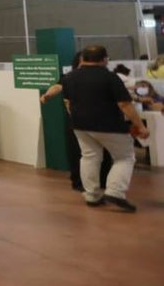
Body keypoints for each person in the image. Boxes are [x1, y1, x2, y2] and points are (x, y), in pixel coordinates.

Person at [60, 45, 150, 212]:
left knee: (89, 157)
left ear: (83, 59)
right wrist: (140, 126)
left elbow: (68, 103)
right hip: (109, 125)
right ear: (104, 59)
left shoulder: (69, 78)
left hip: (79, 125)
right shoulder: (110, 78)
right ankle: (115, 191)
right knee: (125, 157)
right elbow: (124, 104)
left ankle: (92, 195)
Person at [42, 52, 112, 192]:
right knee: (80, 153)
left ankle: (103, 181)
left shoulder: (104, 77)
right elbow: (58, 86)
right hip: (78, 121)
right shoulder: (71, 77)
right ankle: (80, 182)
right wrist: (48, 95)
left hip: (100, 120)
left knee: (102, 153)